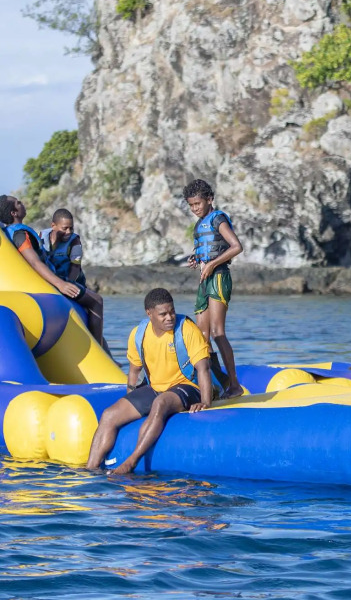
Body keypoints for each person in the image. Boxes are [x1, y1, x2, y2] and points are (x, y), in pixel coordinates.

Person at [86, 288, 215, 475]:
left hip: (187, 386)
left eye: (171, 311)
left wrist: (205, 403)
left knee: (160, 403)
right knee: (109, 415)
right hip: (155, 387)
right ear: (150, 314)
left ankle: (131, 462)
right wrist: (131, 401)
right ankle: (90, 469)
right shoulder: (139, 334)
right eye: (163, 314)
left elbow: (204, 368)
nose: (169, 317)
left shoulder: (186, 329)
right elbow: (134, 371)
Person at [0, 196, 112, 358]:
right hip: (50, 282)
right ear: (14, 212)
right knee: (97, 301)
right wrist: (61, 284)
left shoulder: (12, 231)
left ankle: (107, 356)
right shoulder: (20, 234)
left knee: (88, 313)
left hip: (50, 280)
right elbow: (34, 262)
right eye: (18, 203)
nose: (23, 203)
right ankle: (100, 355)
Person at [184, 179, 242, 398]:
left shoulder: (218, 218)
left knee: (218, 332)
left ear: (209, 200)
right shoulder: (200, 224)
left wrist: (211, 264)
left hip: (218, 277)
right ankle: (217, 383)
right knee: (201, 336)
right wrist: (196, 259)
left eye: (198, 204)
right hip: (204, 279)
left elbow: (236, 247)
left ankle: (235, 385)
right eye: (191, 205)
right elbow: (207, 249)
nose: (195, 209)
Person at [47, 207, 106, 348]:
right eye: (64, 228)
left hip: (71, 281)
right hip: (52, 281)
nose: (68, 232)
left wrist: (69, 286)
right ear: (53, 226)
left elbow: (75, 267)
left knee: (97, 300)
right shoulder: (40, 238)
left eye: (71, 228)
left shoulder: (75, 241)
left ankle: (99, 348)